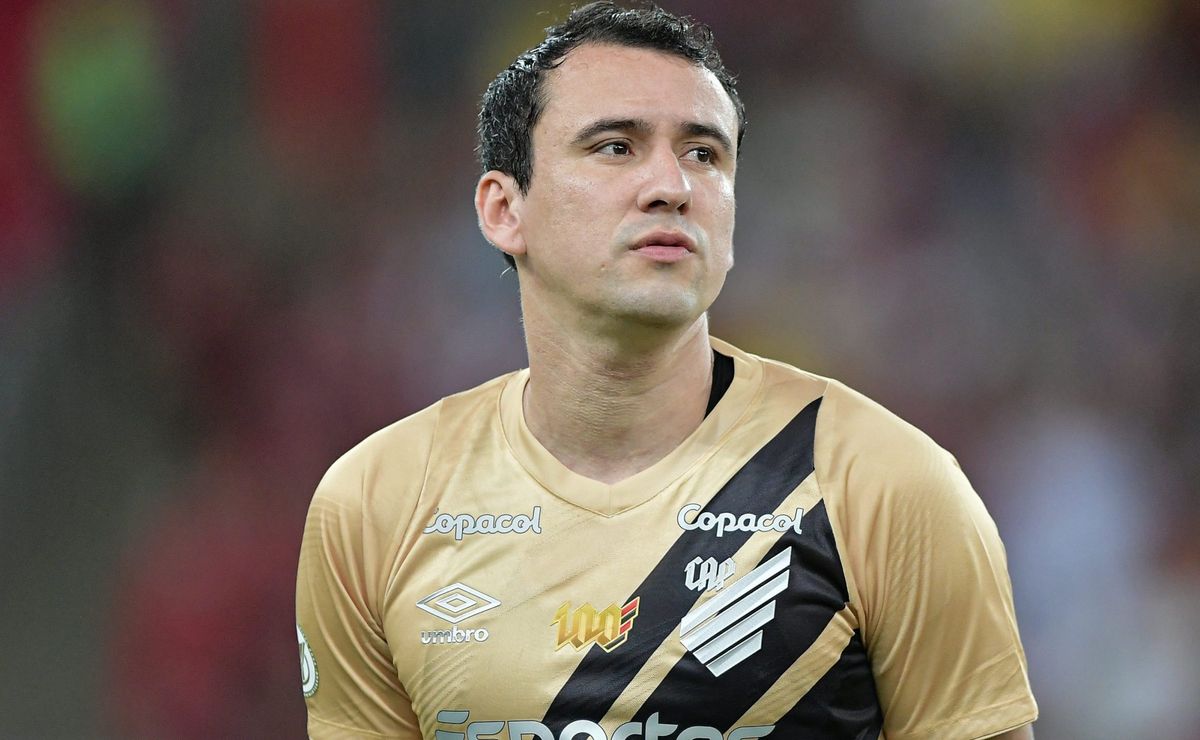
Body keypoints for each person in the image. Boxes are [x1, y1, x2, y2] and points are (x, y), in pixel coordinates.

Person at [295, 3, 1038, 738]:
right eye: (616, 147)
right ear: (504, 210)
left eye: (704, 154)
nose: (672, 186)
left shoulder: (884, 485)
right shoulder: (378, 501)